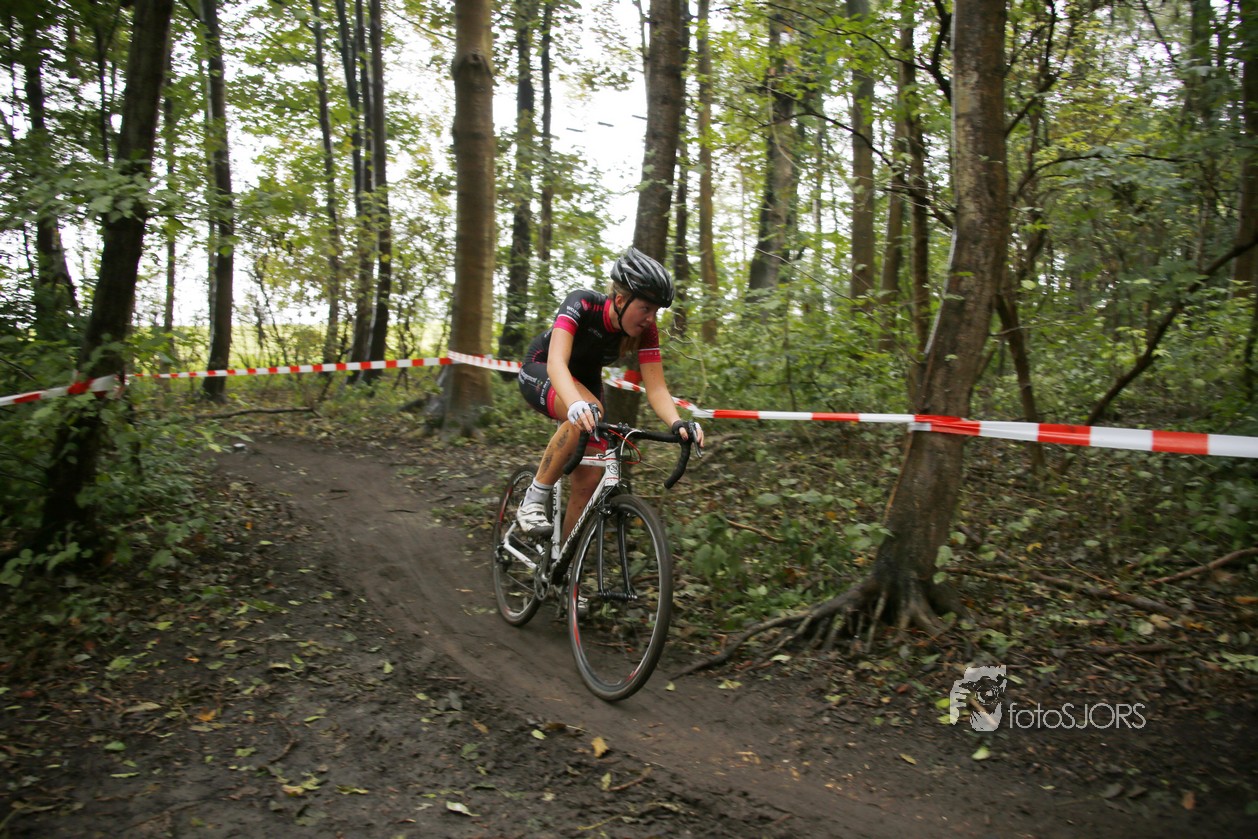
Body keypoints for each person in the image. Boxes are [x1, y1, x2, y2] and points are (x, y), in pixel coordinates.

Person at [516, 247, 703, 538]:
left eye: (656, 311)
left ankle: (566, 561)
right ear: (620, 300)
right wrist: (575, 403)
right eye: (646, 308)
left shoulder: (646, 332)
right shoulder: (582, 303)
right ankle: (533, 500)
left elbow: (656, 388)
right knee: (588, 411)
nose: (651, 318)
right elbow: (556, 363)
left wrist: (677, 422)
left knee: (590, 478)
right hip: (543, 369)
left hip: (587, 385)